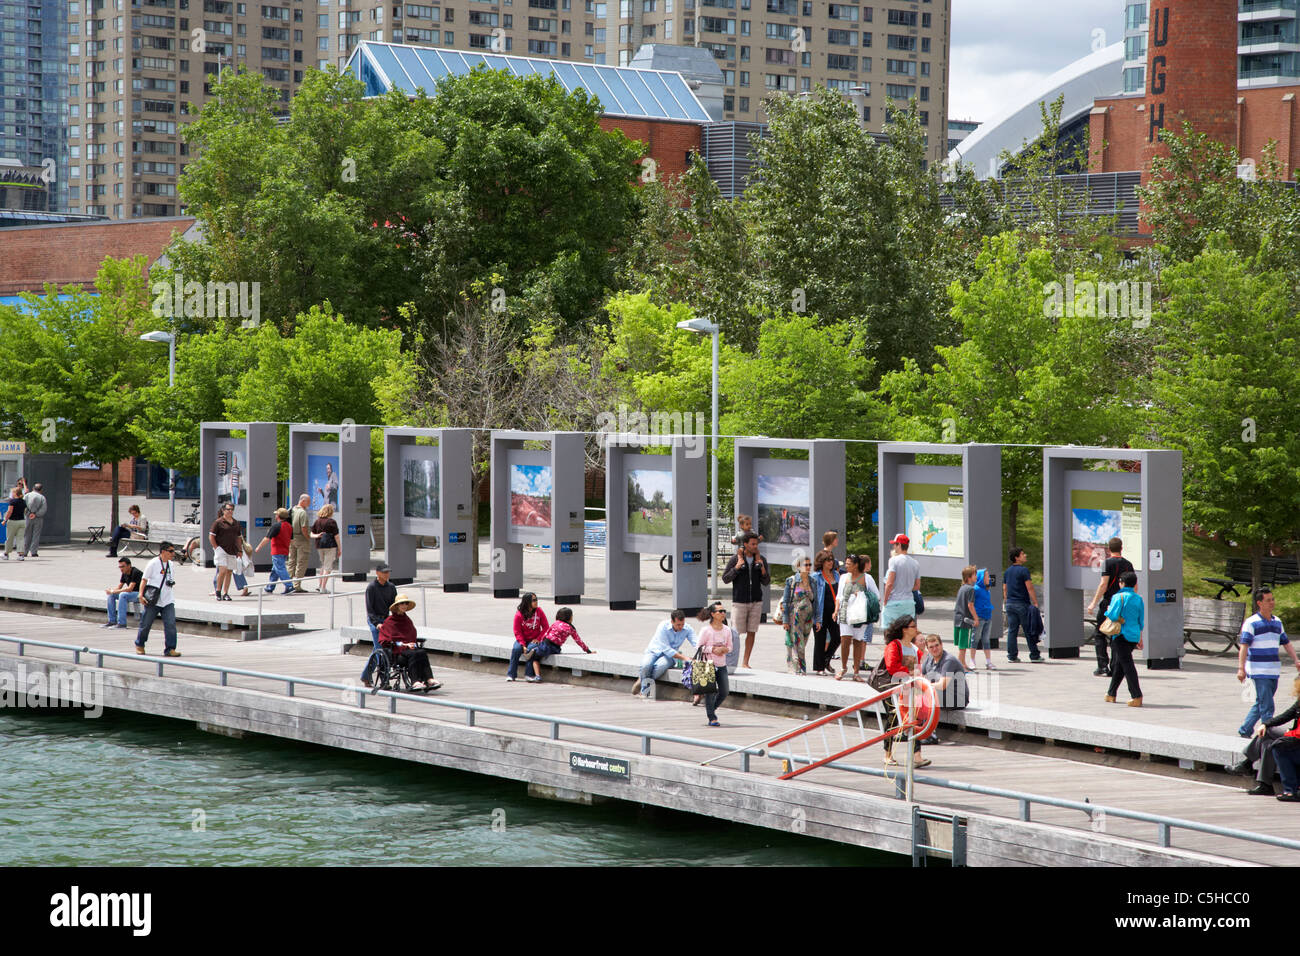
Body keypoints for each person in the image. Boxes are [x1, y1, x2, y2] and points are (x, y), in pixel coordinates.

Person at [1237, 587, 1300, 737]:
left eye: (1272, 599)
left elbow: (1286, 643)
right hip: (1259, 671)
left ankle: (1245, 730)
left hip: (1273, 671)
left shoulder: (1277, 622)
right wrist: (1241, 668)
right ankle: (1268, 735)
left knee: (1261, 703)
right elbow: (1244, 646)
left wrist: (1296, 660)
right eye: (1268, 600)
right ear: (1259, 603)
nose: (1272, 603)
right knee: (1267, 706)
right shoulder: (1251, 623)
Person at [878, 615, 929, 768]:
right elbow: (892, 667)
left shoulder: (914, 648)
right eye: (913, 626)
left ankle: (917, 756)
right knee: (893, 718)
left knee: (914, 717)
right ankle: (887, 754)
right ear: (905, 629)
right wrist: (911, 672)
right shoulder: (894, 645)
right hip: (891, 687)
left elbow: (921, 665)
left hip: (909, 687)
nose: (916, 629)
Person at [1236, 676, 1300, 795]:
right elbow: (1287, 715)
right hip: (1295, 733)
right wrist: (1265, 724)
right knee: (1267, 739)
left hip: (1296, 736)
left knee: (1269, 736)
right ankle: (1263, 783)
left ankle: (1249, 764)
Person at [1085, 537, 1134, 677]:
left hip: (1109, 603)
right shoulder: (1128, 565)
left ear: (1108, 549)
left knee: (1100, 633)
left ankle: (1102, 666)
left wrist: (1093, 603)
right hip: (1123, 603)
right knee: (1116, 635)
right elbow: (1134, 586)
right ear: (1121, 548)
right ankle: (1114, 667)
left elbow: (1103, 584)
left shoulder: (1107, 563)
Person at [722, 531, 770, 670]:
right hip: (739, 602)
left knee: (751, 632)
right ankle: (730, 661)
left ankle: (745, 662)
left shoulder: (761, 560)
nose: (755, 546)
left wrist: (761, 569)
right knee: (735, 633)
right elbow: (725, 578)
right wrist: (737, 568)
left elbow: (766, 581)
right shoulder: (735, 559)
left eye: (756, 544)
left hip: (756, 601)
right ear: (745, 544)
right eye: (753, 544)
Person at [378, 593, 440, 692]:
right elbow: (386, 641)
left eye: (406, 603)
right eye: (402, 603)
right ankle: (415, 681)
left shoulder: (407, 620)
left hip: (409, 649)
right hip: (397, 654)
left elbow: (412, 636)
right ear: (397, 606)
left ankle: (429, 679)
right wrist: (404, 644)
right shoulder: (389, 621)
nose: (404, 605)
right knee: (413, 654)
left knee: (421, 652)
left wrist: (412, 644)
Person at [834, 553, 878, 681]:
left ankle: (856, 672)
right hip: (845, 613)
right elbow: (839, 596)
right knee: (845, 640)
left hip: (860, 614)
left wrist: (862, 595)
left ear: (856, 565)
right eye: (846, 563)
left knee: (858, 641)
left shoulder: (867, 578)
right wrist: (836, 610)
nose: (846, 566)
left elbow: (876, 595)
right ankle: (843, 667)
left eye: (849, 564)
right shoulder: (843, 577)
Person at [1103, 570, 1144, 706]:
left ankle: (1136, 695)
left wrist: (1107, 610)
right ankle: (1111, 693)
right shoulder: (1138, 599)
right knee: (1120, 665)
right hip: (1134, 635)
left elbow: (1113, 615)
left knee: (1127, 665)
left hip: (1121, 635)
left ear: (1122, 583)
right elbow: (1141, 621)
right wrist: (1140, 638)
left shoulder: (1118, 597)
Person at [522, 607, 594, 683]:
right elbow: (578, 641)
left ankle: (537, 675)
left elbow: (546, 634)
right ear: (570, 617)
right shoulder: (571, 628)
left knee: (535, 659)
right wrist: (588, 650)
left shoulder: (556, 623)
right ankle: (535, 650)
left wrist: (541, 641)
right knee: (540, 651)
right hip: (556, 648)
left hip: (546, 644)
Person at [634, 610, 695, 698]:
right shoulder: (663, 626)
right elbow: (666, 649)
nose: (681, 627)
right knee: (646, 666)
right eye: (678, 625)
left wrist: (705, 649)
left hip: (670, 656)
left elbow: (696, 642)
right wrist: (684, 658)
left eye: (682, 624)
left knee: (660, 667)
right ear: (672, 621)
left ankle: (644, 687)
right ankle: (644, 677)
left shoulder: (688, 628)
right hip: (654, 651)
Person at [135, 542, 180, 657]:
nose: (173, 553)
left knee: (170, 624)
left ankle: (170, 648)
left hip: (168, 600)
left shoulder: (171, 564)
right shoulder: (153, 563)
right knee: (146, 623)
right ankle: (140, 644)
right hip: (153, 599)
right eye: (171, 551)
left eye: (173, 551)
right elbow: (144, 579)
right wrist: (140, 595)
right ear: (163, 551)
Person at [778, 555, 821, 676]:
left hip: (808, 619)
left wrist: (818, 620)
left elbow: (816, 601)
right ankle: (800, 669)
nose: (808, 567)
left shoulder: (813, 581)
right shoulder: (791, 581)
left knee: (802, 643)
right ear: (798, 566)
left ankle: (794, 665)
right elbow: (786, 602)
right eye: (805, 565)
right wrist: (785, 620)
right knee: (798, 643)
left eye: (809, 565)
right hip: (794, 618)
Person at [695, 602, 734, 727]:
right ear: (712, 614)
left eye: (724, 611)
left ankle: (711, 708)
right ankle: (712, 717)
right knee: (710, 692)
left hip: (721, 664)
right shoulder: (706, 630)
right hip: (708, 665)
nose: (723, 613)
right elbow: (699, 647)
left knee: (724, 691)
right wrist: (712, 649)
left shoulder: (727, 630)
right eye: (720, 611)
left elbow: (730, 647)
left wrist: (724, 650)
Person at [359, 564, 398, 687]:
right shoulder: (371, 587)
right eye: (384, 572)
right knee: (380, 648)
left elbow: (394, 607)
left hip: (386, 620)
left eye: (388, 572)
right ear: (377, 573)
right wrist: (377, 624)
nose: (387, 575)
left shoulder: (391, 587)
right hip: (374, 620)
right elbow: (370, 610)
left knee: (380, 649)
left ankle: (366, 676)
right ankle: (383, 679)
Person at [1003, 548, 1042, 663]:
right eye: (1022, 554)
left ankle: (1012, 656)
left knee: (1012, 630)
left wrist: (1007, 601)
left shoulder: (1007, 571)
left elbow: (1005, 588)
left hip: (1010, 604)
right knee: (1028, 629)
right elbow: (1029, 587)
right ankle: (1034, 655)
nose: (1025, 555)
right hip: (1022, 604)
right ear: (1017, 557)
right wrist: (1035, 602)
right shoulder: (1024, 571)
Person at [506, 592, 550, 682]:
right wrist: (522, 644)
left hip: (534, 639)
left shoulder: (539, 611)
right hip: (522, 639)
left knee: (531, 650)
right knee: (516, 649)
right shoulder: (519, 615)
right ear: (527, 602)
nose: (536, 602)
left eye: (536, 599)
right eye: (534, 600)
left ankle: (529, 674)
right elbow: (517, 631)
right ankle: (511, 674)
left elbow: (546, 627)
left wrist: (538, 638)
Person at [922, 633, 969, 714]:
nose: (934, 649)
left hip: (957, 698)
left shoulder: (949, 660)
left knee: (923, 695)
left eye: (937, 645)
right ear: (928, 649)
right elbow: (921, 676)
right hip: (942, 694)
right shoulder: (929, 658)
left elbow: (942, 685)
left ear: (941, 645)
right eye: (931, 647)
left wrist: (925, 685)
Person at [880, 533, 920, 629]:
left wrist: (885, 600)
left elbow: (889, 583)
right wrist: (907, 588)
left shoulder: (894, 560)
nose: (894, 546)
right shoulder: (915, 563)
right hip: (909, 603)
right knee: (906, 633)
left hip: (894, 602)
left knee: (889, 632)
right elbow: (917, 586)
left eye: (895, 544)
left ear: (899, 545)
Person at [811, 549, 841, 675]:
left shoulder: (836, 575)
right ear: (821, 562)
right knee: (820, 639)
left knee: (838, 637)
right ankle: (819, 668)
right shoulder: (815, 576)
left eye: (832, 560)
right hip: (820, 611)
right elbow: (812, 596)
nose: (830, 562)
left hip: (834, 612)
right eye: (827, 560)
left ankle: (825, 659)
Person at [208, 502, 244, 601]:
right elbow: (211, 536)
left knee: (229, 572)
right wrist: (216, 547)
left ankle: (226, 593)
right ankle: (218, 591)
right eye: (228, 509)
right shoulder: (218, 522)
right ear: (223, 510)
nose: (230, 511)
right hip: (221, 550)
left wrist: (240, 550)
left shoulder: (236, 523)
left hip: (232, 550)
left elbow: (238, 537)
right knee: (222, 570)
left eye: (232, 509)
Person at [254, 508, 294, 594]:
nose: (275, 516)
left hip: (277, 551)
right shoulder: (289, 526)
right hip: (284, 551)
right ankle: (270, 587)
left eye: (276, 514)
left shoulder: (276, 526)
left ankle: (289, 585)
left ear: (278, 516)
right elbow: (291, 540)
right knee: (275, 570)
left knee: (280, 568)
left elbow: (267, 538)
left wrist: (258, 547)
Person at [103, 557, 143, 628]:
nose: (121, 569)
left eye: (123, 566)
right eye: (120, 567)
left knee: (123, 595)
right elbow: (119, 587)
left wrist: (114, 591)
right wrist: (111, 591)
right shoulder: (124, 573)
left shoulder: (136, 572)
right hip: (130, 594)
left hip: (140, 594)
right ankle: (112, 621)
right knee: (111, 596)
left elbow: (129, 589)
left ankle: (122, 623)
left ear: (129, 565)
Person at [952, 565, 979, 672]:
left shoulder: (962, 588)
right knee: (963, 646)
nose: (976, 576)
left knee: (961, 645)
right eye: (974, 575)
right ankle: (959, 666)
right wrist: (976, 619)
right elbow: (970, 605)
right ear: (969, 577)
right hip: (966, 620)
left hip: (957, 619)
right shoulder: (971, 589)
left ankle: (963, 664)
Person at [310, 503, 340, 592]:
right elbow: (337, 536)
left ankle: (320, 585)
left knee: (323, 565)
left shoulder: (317, 521)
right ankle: (323, 587)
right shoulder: (332, 522)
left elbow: (311, 534)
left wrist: (318, 535)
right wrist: (339, 548)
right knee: (328, 567)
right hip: (330, 545)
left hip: (319, 545)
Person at [971, 568, 996, 670]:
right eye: (986, 576)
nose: (989, 577)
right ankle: (972, 661)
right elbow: (971, 604)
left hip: (988, 617)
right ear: (981, 577)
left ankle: (988, 662)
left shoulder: (987, 590)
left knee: (986, 640)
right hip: (979, 618)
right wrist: (975, 618)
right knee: (975, 639)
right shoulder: (976, 589)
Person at [287, 493, 312, 593]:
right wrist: (308, 537)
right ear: (303, 501)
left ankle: (288, 583)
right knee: (301, 562)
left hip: (292, 538)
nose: (309, 503)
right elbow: (304, 528)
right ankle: (296, 585)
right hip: (301, 539)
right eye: (308, 501)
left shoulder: (292, 509)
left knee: (291, 561)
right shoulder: (303, 513)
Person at [20, 482, 46, 558]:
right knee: (36, 535)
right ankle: (34, 552)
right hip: (38, 518)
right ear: (41, 490)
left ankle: (24, 551)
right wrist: (35, 514)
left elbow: (22, 506)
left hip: (27, 517)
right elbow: (43, 509)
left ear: (33, 488)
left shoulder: (27, 495)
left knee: (26, 534)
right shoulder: (42, 497)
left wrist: (28, 513)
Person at [1, 486, 25, 561]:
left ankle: (6, 554)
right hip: (22, 521)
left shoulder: (12, 501)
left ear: (15, 493)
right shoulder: (23, 501)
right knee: (20, 538)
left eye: (12, 492)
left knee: (9, 538)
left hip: (12, 521)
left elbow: (9, 511)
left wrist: (5, 520)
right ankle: (21, 555)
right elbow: (24, 511)